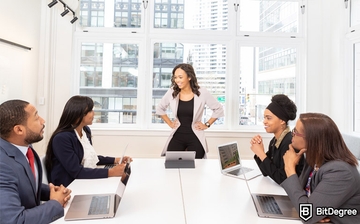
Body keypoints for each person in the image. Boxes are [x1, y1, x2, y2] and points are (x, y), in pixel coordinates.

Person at [0, 100, 71, 224]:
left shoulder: (25, 146)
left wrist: (52, 192)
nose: (43, 121)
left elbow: (23, 185)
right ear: (19, 130)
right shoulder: (2, 165)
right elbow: (14, 220)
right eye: (36, 117)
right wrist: (56, 203)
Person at [282, 113, 360, 224]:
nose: (292, 134)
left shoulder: (340, 172)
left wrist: (289, 168)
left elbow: (307, 214)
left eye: (296, 132)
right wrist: (315, 213)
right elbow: (300, 196)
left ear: (312, 139)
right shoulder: (313, 160)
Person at [45, 95, 132, 187]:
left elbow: (90, 158)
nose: (93, 113)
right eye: (90, 111)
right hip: (69, 185)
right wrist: (110, 172)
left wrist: (115, 160)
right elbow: (76, 171)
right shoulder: (61, 138)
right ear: (79, 114)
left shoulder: (85, 130)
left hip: (82, 179)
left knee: (125, 175)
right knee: (120, 178)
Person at [156, 63, 224, 159]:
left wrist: (207, 124)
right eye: (175, 77)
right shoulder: (172, 92)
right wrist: (170, 123)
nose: (177, 80)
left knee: (196, 168)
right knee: (171, 164)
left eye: (180, 77)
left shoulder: (202, 92)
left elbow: (218, 109)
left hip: (195, 137)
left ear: (189, 77)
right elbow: (160, 108)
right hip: (178, 135)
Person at [250, 94, 304, 184]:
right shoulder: (275, 141)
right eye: (264, 117)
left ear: (282, 120)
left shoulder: (289, 143)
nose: (264, 121)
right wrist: (259, 151)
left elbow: (283, 179)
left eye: (269, 118)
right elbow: (266, 171)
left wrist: (261, 154)